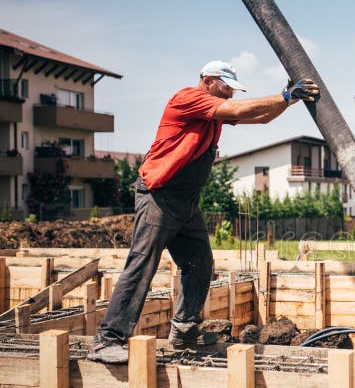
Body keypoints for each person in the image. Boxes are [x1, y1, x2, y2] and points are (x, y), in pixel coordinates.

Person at [88, 61, 319, 363]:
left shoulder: (213, 113)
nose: (229, 96)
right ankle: (108, 339)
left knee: (200, 263)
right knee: (142, 262)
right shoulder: (187, 99)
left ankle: (184, 329)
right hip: (159, 196)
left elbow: (260, 118)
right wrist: (285, 95)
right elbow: (239, 111)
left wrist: (291, 99)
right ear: (208, 81)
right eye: (226, 88)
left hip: (186, 203)